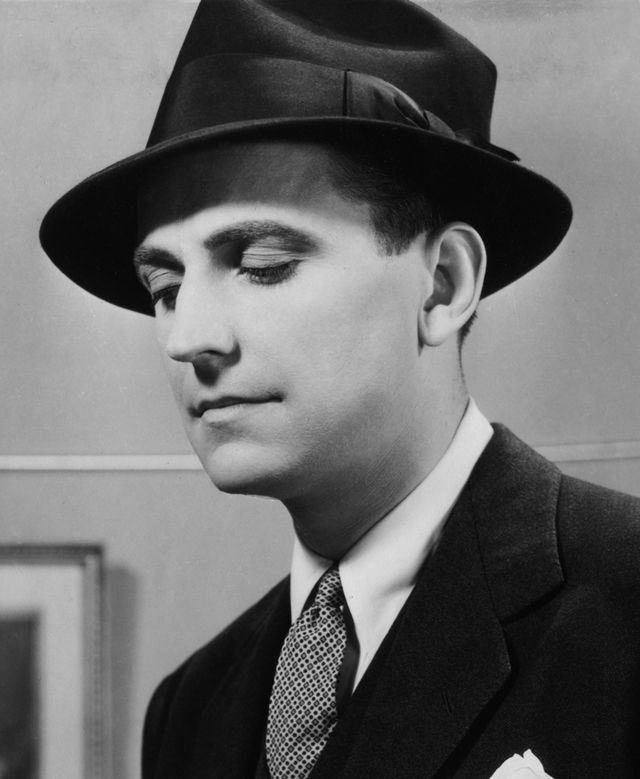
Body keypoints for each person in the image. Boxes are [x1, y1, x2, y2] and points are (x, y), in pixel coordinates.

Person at [40, 0, 640, 777]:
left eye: (262, 265)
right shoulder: (190, 707)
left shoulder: (625, 605)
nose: (189, 339)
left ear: (442, 284)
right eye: (165, 287)